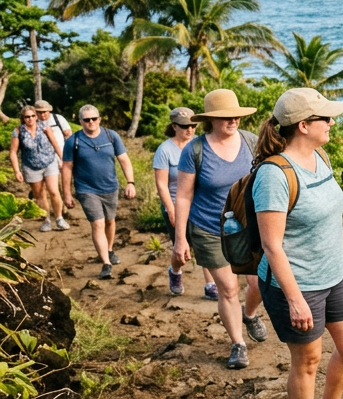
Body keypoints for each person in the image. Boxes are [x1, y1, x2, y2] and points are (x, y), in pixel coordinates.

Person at [254, 88, 343, 399]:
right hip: (296, 282)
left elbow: (332, 216)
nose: (332, 122)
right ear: (303, 125)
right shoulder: (274, 175)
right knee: (307, 360)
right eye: (325, 118)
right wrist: (295, 299)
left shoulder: (320, 156)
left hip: (333, 273)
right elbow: (272, 246)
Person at [173, 89, 267, 370]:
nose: (233, 120)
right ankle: (238, 344)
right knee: (228, 288)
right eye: (226, 117)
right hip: (208, 227)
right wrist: (180, 239)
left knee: (258, 283)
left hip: (248, 227)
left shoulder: (251, 142)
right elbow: (184, 196)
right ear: (211, 120)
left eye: (236, 116)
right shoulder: (195, 150)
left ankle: (249, 315)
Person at [61, 105, 137, 280]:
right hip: (86, 189)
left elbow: (124, 160)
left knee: (110, 221)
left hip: (110, 187)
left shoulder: (111, 136)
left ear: (99, 119)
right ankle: (106, 264)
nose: (91, 122)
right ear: (81, 121)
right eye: (86, 120)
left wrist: (130, 182)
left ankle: (109, 250)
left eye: (94, 118)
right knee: (98, 224)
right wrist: (67, 193)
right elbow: (66, 167)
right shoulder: (74, 141)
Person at [152, 107, 216, 296]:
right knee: (181, 248)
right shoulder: (165, 150)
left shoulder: (200, 145)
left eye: (193, 126)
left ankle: (211, 284)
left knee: (204, 244)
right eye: (185, 126)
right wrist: (170, 209)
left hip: (200, 205)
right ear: (174, 126)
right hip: (175, 203)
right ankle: (175, 271)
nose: (190, 129)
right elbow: (162, 184)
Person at [10, 105, 68, 232]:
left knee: (54, 191)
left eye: (32, 116)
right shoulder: (18, 131)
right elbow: (13, 152)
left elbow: (55, 143)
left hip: (49, 162)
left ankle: (59, 218)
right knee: (40, 195)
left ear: (36, 116)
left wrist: (62, 159)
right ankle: (46, 220)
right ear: (23, 118)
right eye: (27, 117)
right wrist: (17, 170)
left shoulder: (45, 127)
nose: (30, 119)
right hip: (31, 166)